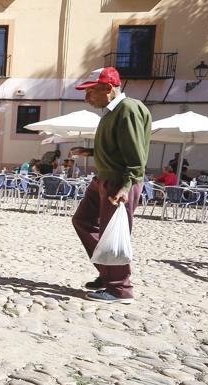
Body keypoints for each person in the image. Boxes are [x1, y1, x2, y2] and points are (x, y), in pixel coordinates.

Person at [70, 67, 151, 304]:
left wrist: (126, 187)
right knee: (83, 220)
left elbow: (136, 156)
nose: (87, 97)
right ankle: (107, 273)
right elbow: (119, 146)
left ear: (108, 88)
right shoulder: (111, 112)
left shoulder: (128, 109)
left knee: (113, 232)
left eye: (91, 92)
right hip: (104, 178)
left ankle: (119, 289)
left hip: (119, 181)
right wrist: (91, 152)